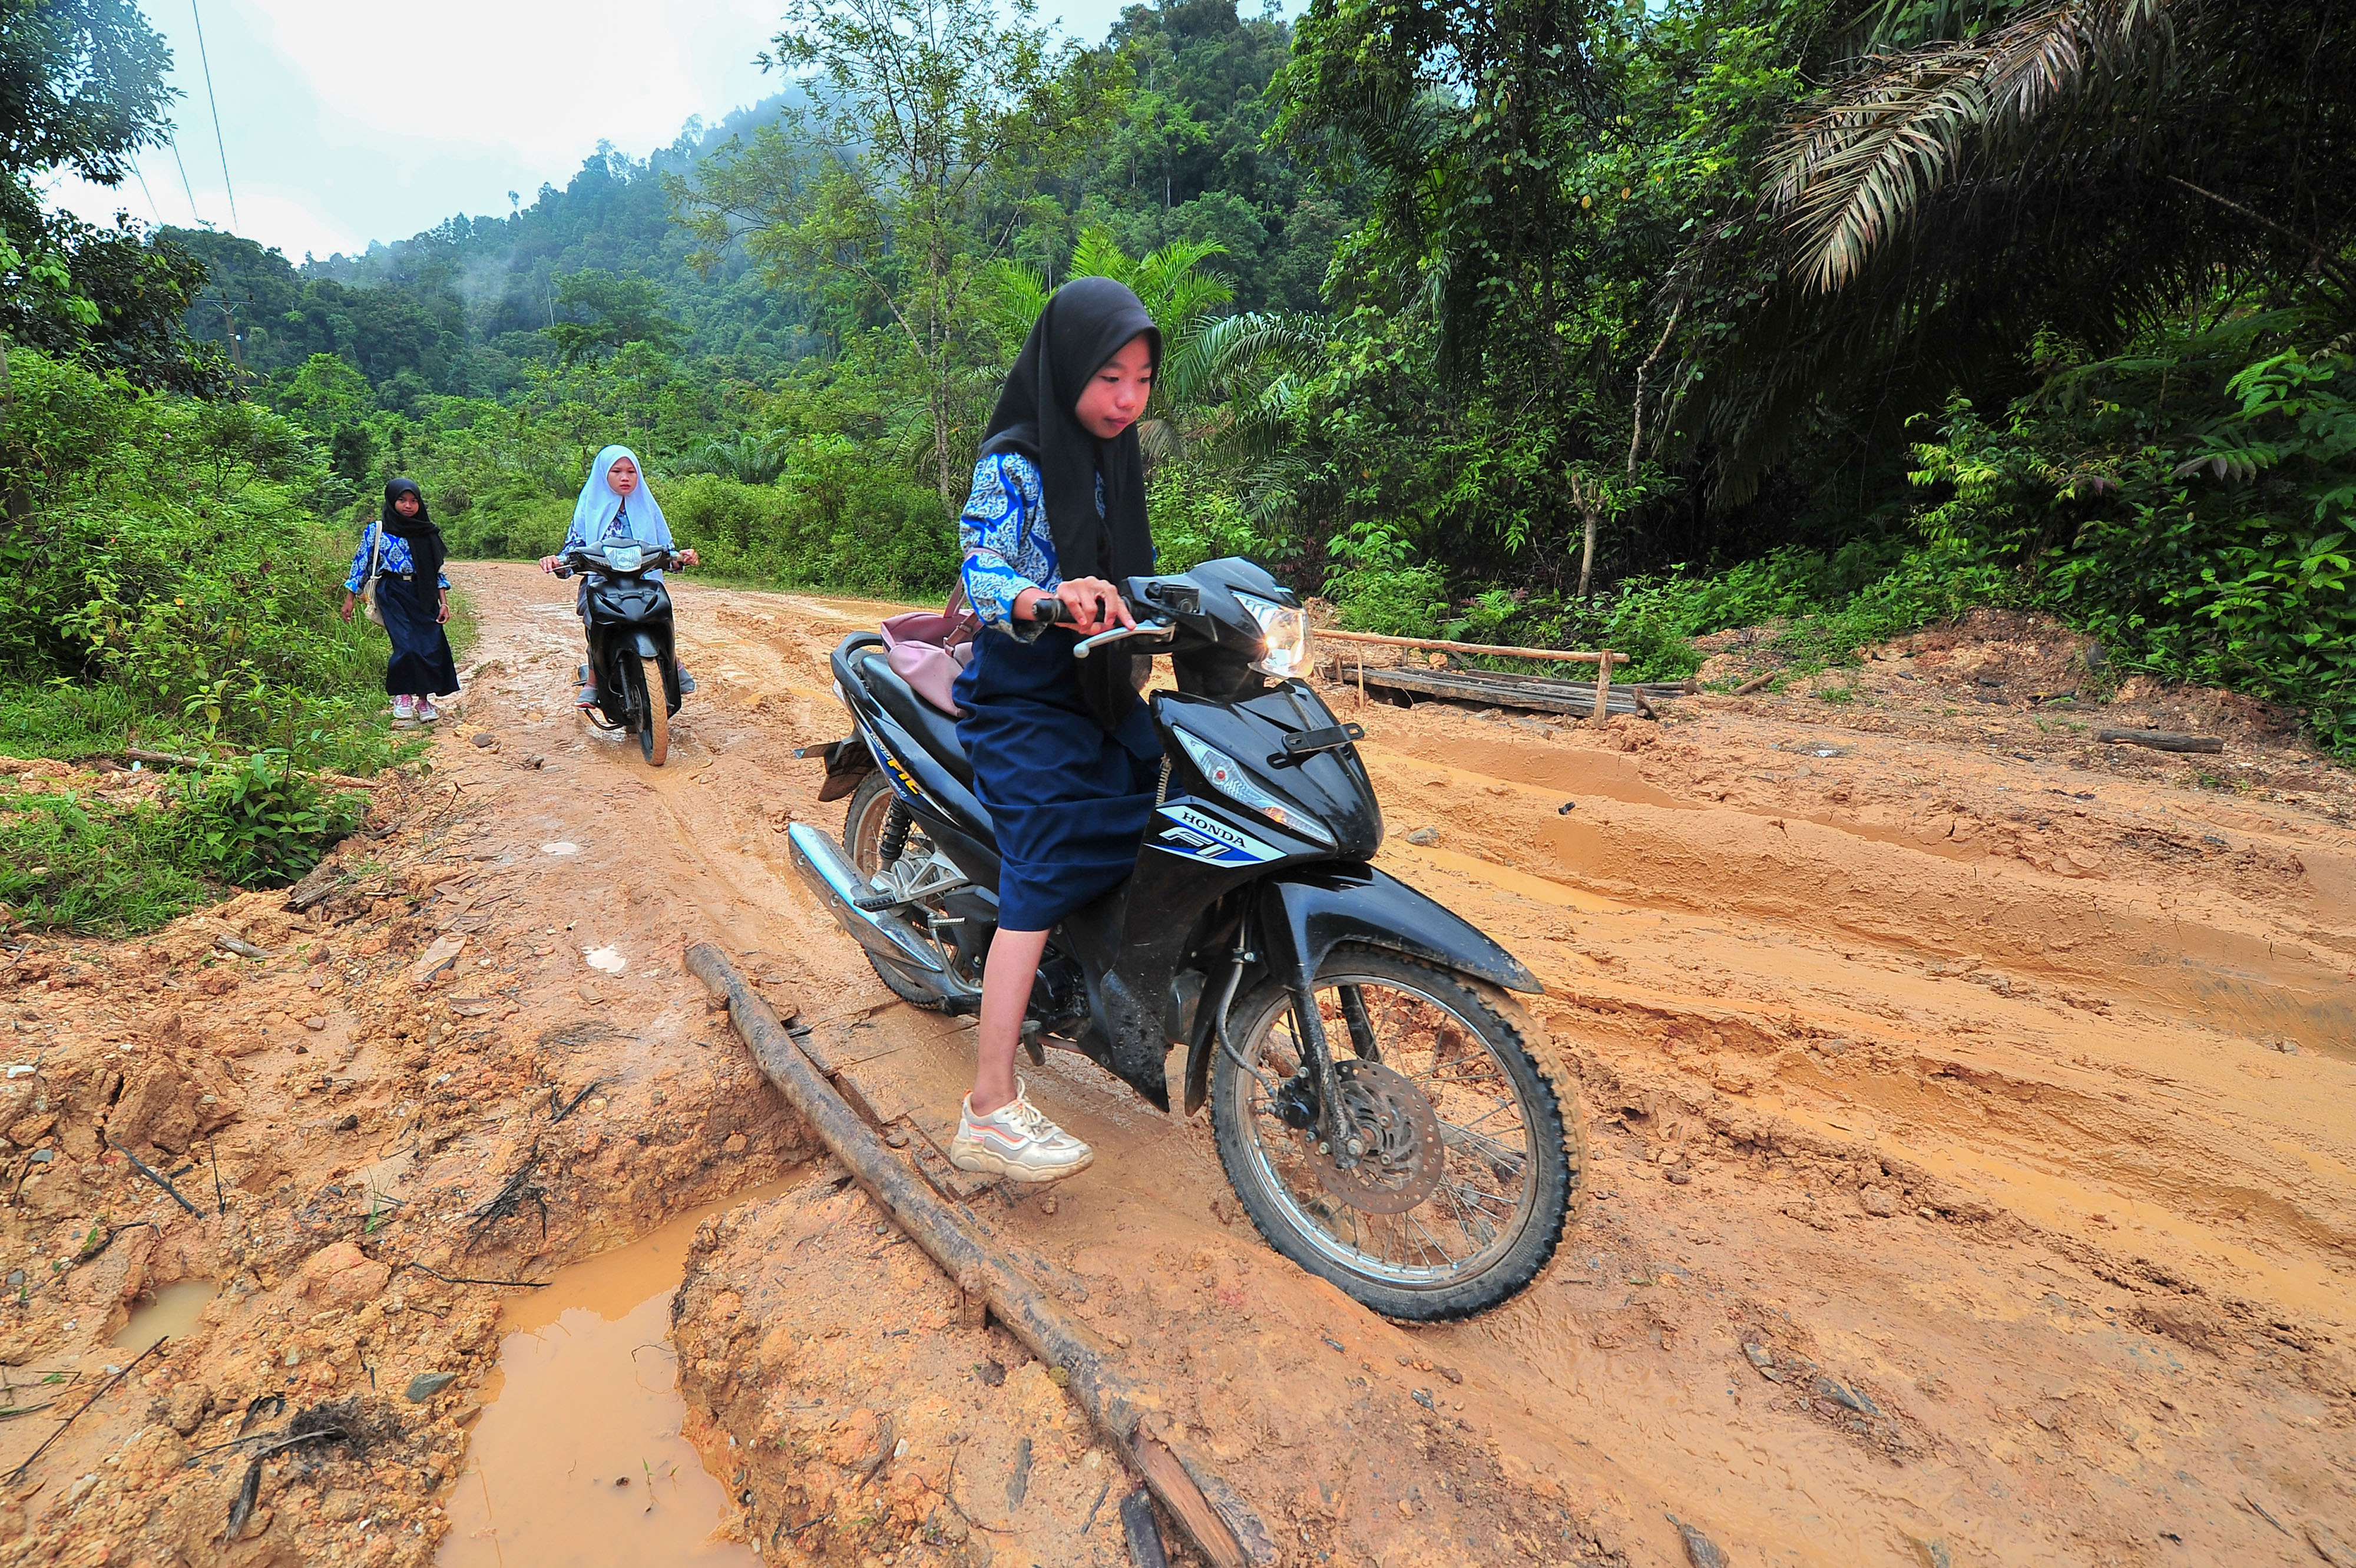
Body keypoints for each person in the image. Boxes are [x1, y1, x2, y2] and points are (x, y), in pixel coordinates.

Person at [945, 277, 1162, 1184]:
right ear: (1068, 366)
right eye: (1110, 376)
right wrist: (1045, 597)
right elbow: (982, 565)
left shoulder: (1119, 457)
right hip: (1027, 694)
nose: (1127, 399)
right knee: (1040, 865)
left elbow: (1133, 570)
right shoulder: (1015, 462)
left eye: (1144, 379)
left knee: (1164, 792)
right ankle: (989, 1105)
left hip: (1100, 686)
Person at [538, 445, 698, 707]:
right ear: (603, 475)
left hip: (644, 583)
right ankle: (592, 681)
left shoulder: (647, 507)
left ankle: (674, 662)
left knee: (662, 614)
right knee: (595, 624)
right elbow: (573, 551)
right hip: (602, 584)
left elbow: (666, 553)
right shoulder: (589, 507)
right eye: (617, 471)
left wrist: (683, 557)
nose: (625, 477)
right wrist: (556, 562)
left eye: (631, 471)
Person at [340, 478, 458, 723]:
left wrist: (444, 602)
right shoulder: (378, 530)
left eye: (414, 501)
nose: (408, 506)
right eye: (402, 500)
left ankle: (424, 700)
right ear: (392, 501)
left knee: (430, 645)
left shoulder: (426, 531)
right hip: (392, 591)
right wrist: (350, 597)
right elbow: (360, 564)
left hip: (423, 592)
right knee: (406, 645)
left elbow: (436, 570)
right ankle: (403, 695)